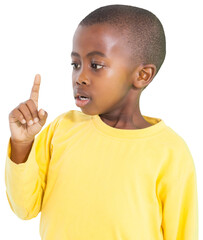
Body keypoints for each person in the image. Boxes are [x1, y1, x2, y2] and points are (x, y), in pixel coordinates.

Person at [5, 4, 198, 240]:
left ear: (142, 75)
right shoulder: (62, 128)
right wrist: (22, 144)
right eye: (75, 65)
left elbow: (182, 233)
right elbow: (24, 208)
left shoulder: (170, 152)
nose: (80, 77)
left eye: (96, 65)